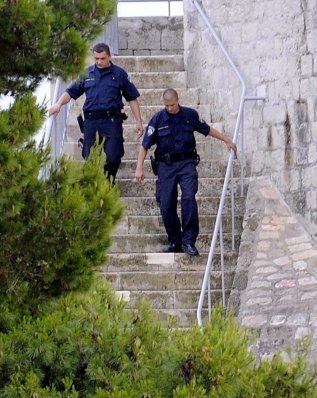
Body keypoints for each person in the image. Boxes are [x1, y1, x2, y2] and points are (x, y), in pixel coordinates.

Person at [135, 88, 237, 255]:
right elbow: (145, 145)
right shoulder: (158, 119)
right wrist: (139, 167)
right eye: (166, 105)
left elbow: (207, 129)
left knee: (189, 197)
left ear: (178, 100)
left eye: (172, 105)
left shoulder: (190, 115)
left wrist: (226, 140)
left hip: (186, 163)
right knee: (166, 204)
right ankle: (175, 241)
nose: (169, 108)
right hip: (166, 166)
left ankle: (189, 240)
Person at [48, 43, 142, 181]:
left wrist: (138, 121)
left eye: (102, 58)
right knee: (89, 157)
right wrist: (58, 104)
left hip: (111, 121)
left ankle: (107, 183)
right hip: (91, 122)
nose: (99, 61)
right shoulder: (87, 74)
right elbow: (70, 92)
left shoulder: (119, 74)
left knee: (114, 156)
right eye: (96, 58)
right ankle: (96, 186)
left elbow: (132, 98)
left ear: (109, 56)